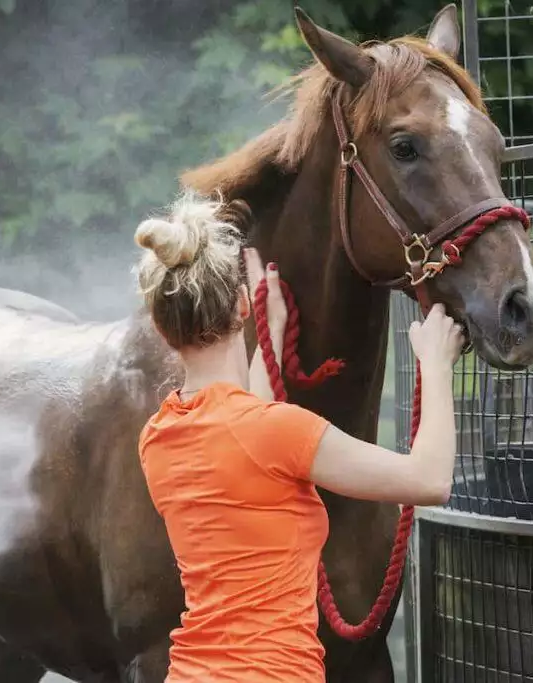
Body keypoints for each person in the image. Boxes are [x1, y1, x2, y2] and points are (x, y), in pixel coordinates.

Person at [133, 192, 466, 683]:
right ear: (241, 304)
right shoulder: (276, 432)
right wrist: (435, 367)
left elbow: (245, 431)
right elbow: (429, 479)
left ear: (163, 331)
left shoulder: (159, 436)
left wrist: (271, 327)